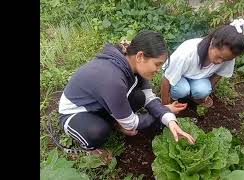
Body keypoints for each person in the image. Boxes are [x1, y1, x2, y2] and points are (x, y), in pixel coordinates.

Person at [58, 30, 195, 162]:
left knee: (139, 97)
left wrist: (170, 120)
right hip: (75, 113)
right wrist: (165, 111)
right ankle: (90, 149)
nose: (158, 70)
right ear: (140, 56)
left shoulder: (132, 62)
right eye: (157, 64)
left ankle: (116, 122)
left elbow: (149, 97)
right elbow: (132, 124)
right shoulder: (113, 79)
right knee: (97, 131)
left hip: (99, 104)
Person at [161, 19, 244, 108]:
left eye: (225, 60)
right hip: (178, 76)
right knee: (182, 90)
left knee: (203, 90)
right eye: (219, 57)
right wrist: (165, 106)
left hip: (199, 78)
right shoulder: (187, 52)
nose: (220, 62)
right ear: (212, 42)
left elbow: (219, 74)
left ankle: (194, 97)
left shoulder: (228, 56)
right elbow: (167, 78)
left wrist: (205, 94)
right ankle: (174, 97)